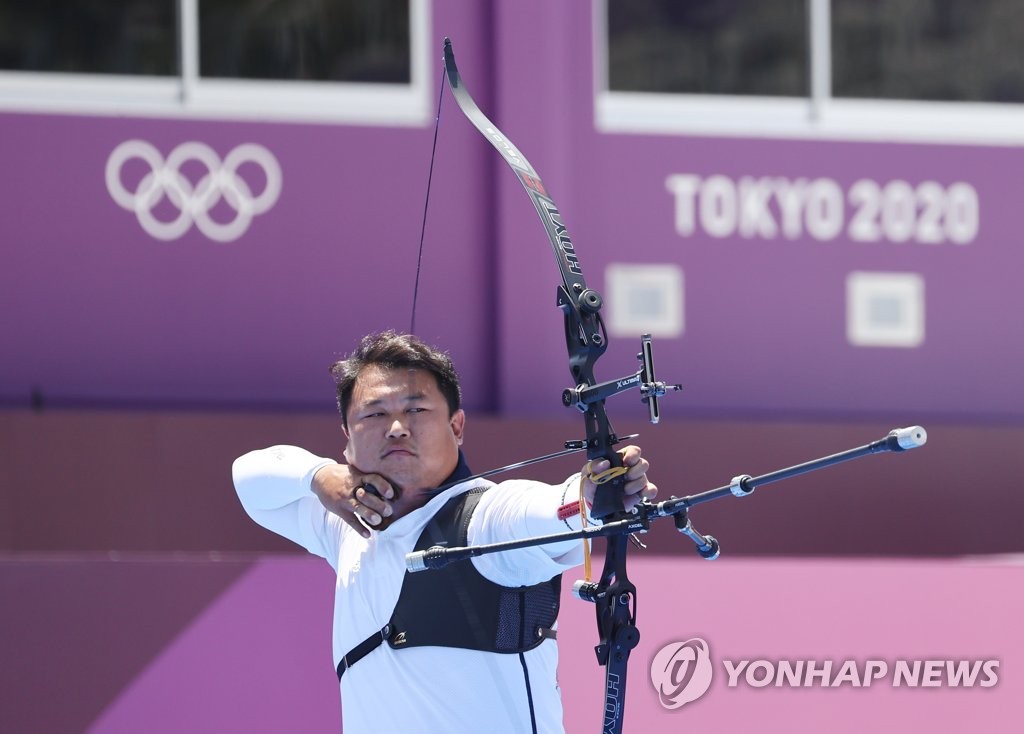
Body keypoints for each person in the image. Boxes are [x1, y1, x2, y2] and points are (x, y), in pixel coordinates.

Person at [232, 331, 656, 734]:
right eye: (376, 413)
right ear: (346, 438)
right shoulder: (347, 525)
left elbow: (547, 509)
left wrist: (592, 495)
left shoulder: (484, 518)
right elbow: (249, 477)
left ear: (456, 426)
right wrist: (319, 475)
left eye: (416, 410)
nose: (397, 427)